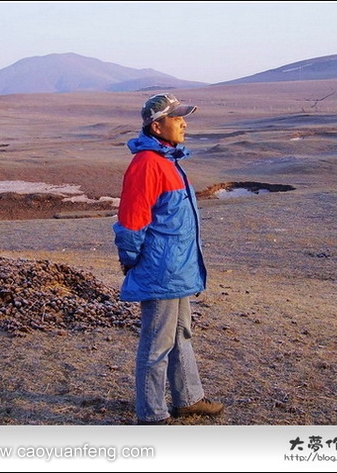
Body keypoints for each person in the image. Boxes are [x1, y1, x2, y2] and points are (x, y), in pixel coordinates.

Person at [113, 93, 224, 425]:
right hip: (160, 271)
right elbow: (132, 221)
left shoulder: (168, 161)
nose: (184, 123)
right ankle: (152, 414)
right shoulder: (147, 165)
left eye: (182, 117)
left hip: (175, 270)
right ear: (156, 125)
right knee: (156, 344)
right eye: (177, 119)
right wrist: (131, 261)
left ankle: (188, 398)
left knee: (180, 334)